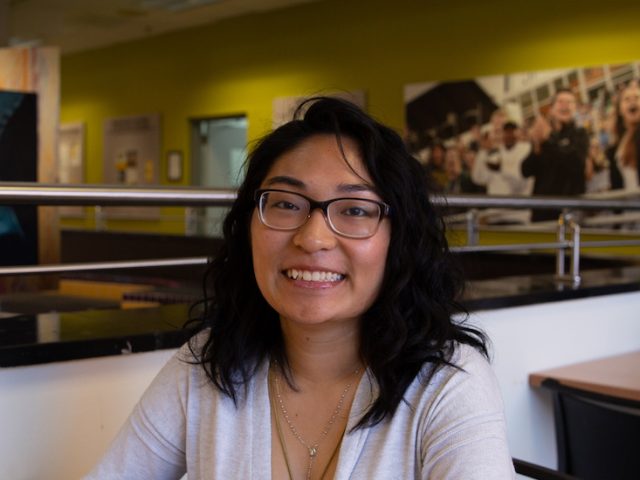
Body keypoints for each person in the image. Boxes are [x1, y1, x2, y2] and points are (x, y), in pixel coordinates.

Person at [84, 97, 514, 479]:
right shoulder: (208, 365)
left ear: (399, 240)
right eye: (287, 204)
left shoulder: (446, 383)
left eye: (355, 210)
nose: (313, 239)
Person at [521, 88, 589, 222]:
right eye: (560, 102)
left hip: (569, 210)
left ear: (575, 108)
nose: (565, 105)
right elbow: (525, 171)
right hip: (542, 212)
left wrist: (549, 138)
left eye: (570, 102)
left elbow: (576, 164)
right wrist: (536, 148)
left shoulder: (580, 134)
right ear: (551, 109)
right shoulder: (542, 137)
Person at [471, 121, 532, 224]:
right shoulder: (496, 151)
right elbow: (478, 178)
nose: (509, 135)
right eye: (506, 131)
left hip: (517, 217)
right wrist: (482, 150)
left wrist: (502, 170)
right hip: (494, 217)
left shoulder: (526, 149)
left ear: (518, 132)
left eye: (512, 131)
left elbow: (521, 184)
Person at [606, 79, 640, 191]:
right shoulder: (617, 142)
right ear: (620, 109)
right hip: (630, 205)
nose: (632, 102)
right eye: (627, 99)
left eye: (636, 98)